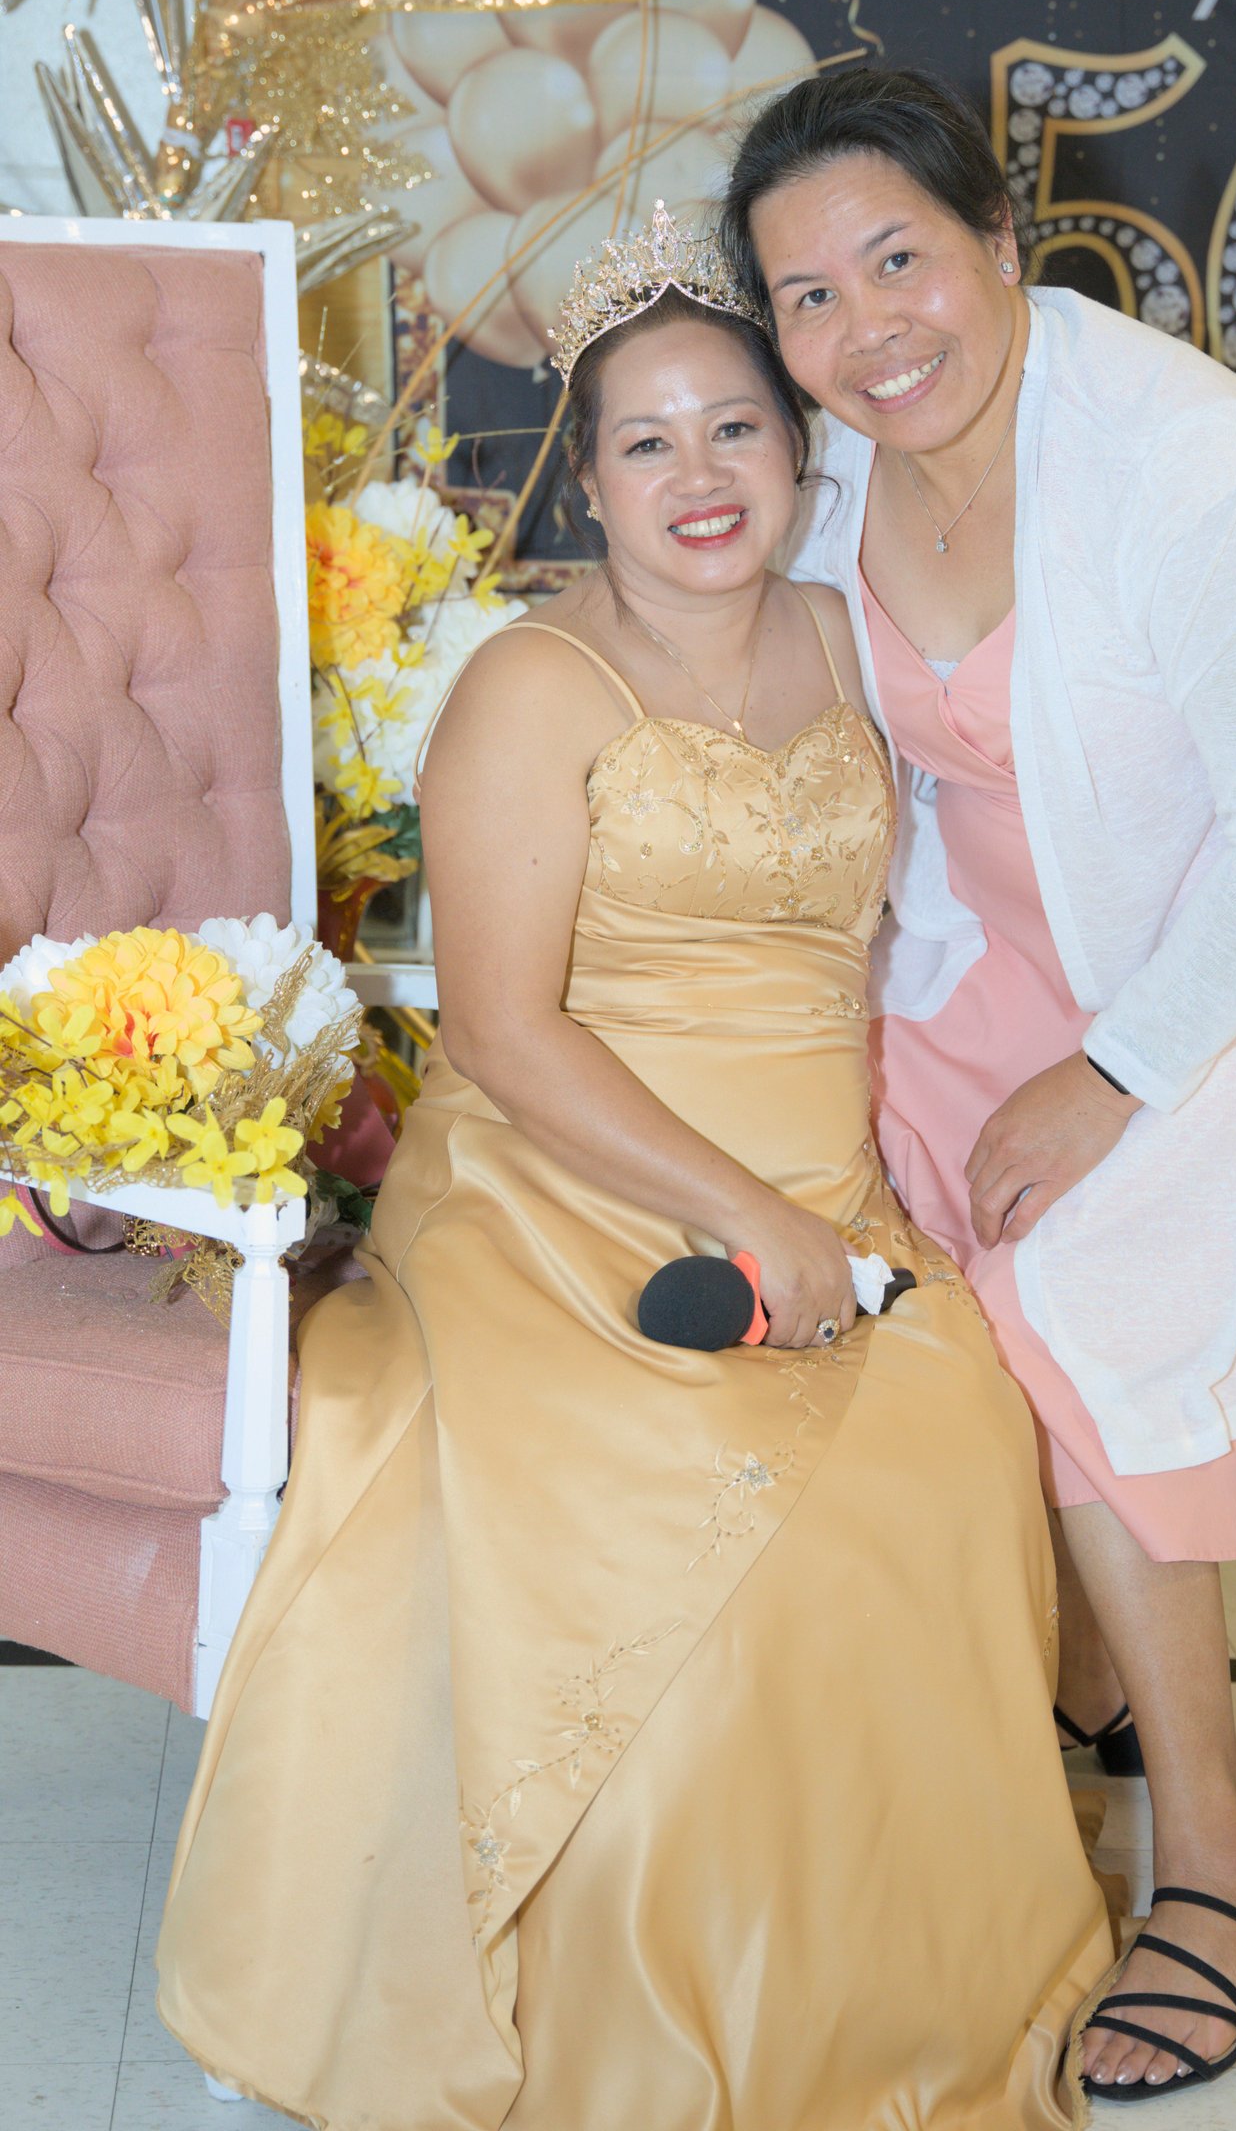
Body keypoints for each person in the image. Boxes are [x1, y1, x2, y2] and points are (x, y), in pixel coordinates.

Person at [155, 204, 1113, 2131]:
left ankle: (892, 1999)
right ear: (584, 482)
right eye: (647, 441)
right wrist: (746, 1215)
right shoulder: (530, 686)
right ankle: (641, 2007)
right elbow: (508, 1032)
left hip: (824, 1186)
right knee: (679, 1506)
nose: (700, 475)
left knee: (943, 1436)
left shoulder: (846, 636)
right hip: (563, 1178)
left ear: (800, 450)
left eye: (736, 427)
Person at [722, 68, 1236, 2100]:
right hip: (993, 951)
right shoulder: (831, 464)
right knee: (839, 1230)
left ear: (999, 240)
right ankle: (1042, 1704)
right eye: (807, 297)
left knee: (1061, 1307)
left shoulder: (1185, 454)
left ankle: (1224, 1870)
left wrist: (1108, 1079)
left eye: (899, 258)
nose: (866, 328)